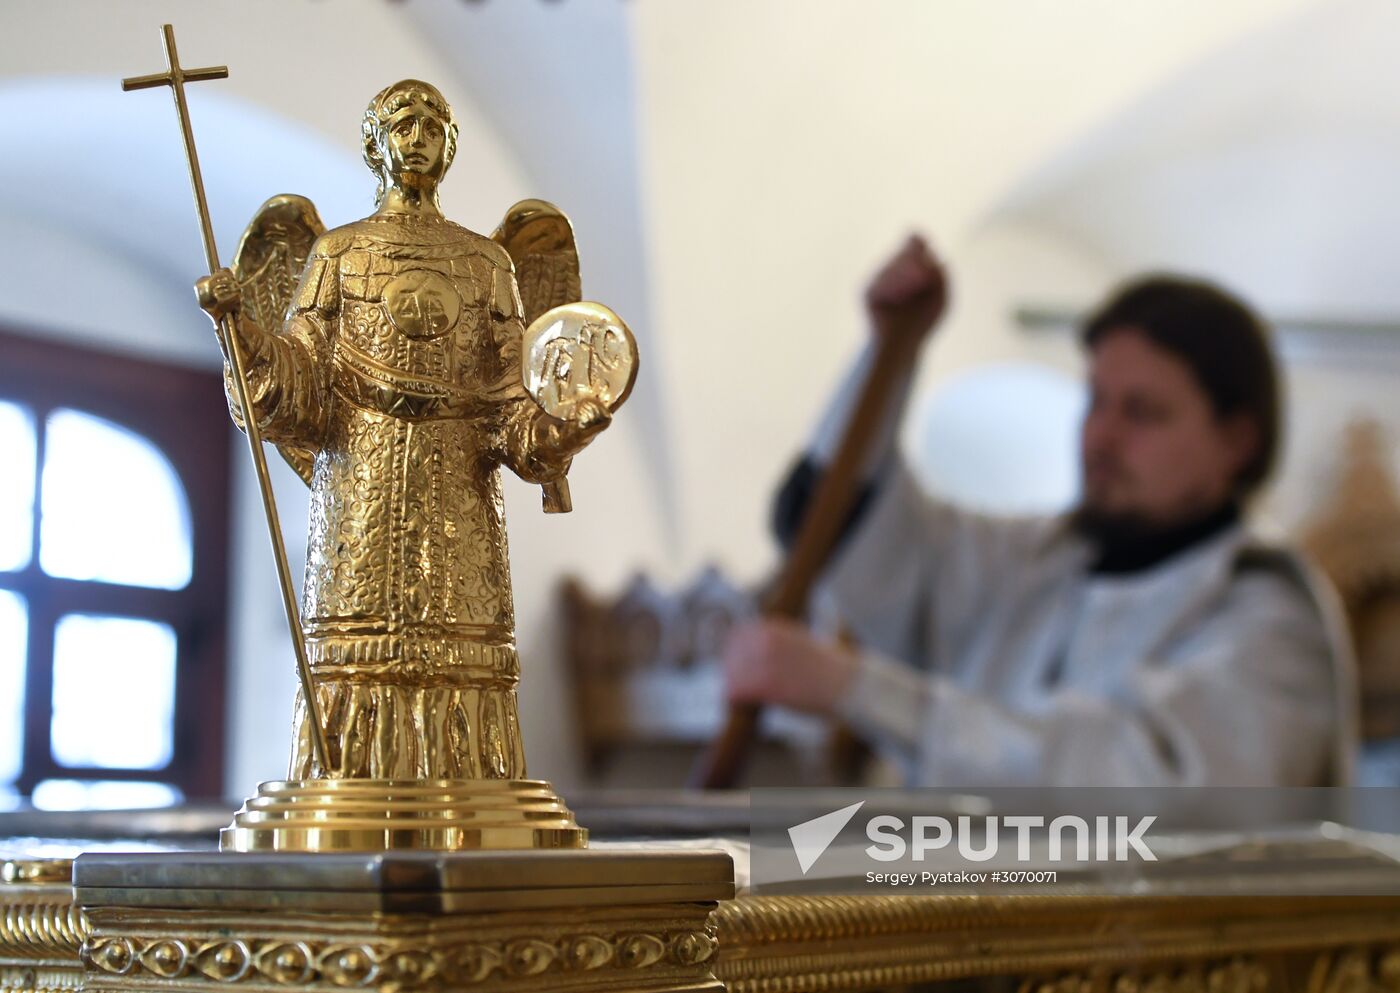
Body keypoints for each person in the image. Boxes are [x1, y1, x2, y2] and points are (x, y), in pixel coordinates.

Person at [723, 236, 1357, 786]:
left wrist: (859, 690)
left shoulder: (1267, 618)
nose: (1099, 438)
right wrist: (889, 353)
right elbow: (839, 527)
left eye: (1142, 413)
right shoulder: (1027, 566)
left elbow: (1151, 789)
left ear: (1237, 440)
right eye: (1096, 402)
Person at [196, 80, 608, 780]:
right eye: (401, 123)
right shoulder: (336, 254)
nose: (416, 136)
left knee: (462, 663)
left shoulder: (489, 263)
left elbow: (512, 402)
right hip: (360, 486)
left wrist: (562, 430)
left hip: (459, 493)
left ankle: (470, 789)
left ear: (450, 146)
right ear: (373, 144)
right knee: (354, 660)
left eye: (431, 125)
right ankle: (341, 785)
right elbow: (299, 388)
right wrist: (237, 326)